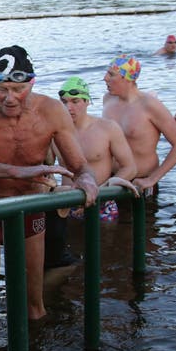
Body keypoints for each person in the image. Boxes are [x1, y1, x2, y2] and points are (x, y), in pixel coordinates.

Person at [0, 46, 98, 340]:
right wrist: (18, 171)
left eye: (17, 89)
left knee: (34, 308)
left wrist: (87, 181)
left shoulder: (52, 112)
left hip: (29, 214)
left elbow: (79, 165)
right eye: (1, 88)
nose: (8, 97)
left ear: (31, 83)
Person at [44, 77, 139, 266]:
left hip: (102, 203)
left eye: (75, 101)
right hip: (66, 206)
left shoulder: (108, 128)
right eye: (64, 102)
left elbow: (130, 167)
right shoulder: (55, 134)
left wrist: (107, 187)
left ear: (87, 101)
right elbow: (47, 167)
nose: (69, 107)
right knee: (69, 252)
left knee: (104, 254)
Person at [101, 54, 176, 197]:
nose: (105, 78)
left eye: (111, 74)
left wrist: (152, 179)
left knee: (143, 219)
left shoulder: (150, 106)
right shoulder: (108, 99)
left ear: (127, 78)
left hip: (140, 183)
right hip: (111, 180)